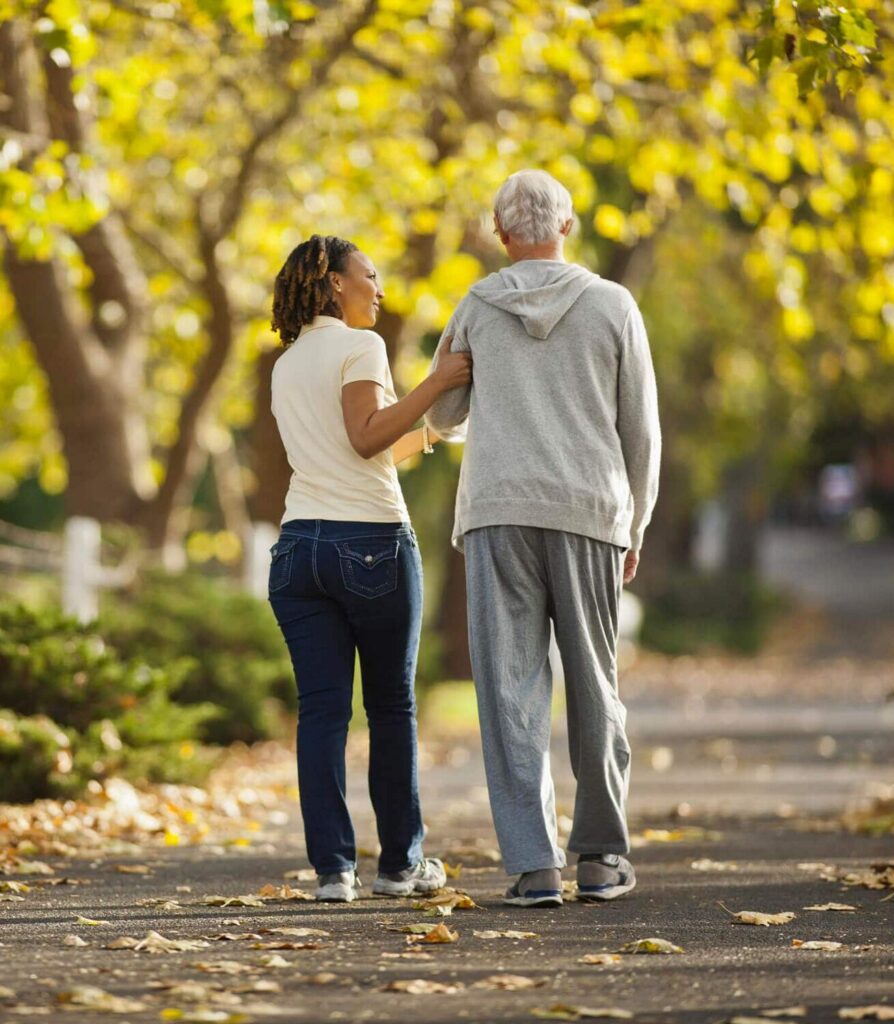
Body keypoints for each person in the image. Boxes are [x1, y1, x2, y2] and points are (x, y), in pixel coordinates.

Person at [427, 170, 661, 907]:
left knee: (507, 688)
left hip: (497, 511)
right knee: (595, 683)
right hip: (588, 509)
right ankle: (597, 858)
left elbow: (443, 415)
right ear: (567, 225)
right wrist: (637, 520)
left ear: (500, 233)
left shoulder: (475, 305)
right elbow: (640, 431)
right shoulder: (611, 305)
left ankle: (534, 867)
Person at [267, 234, 471, 902]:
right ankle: (399, 867)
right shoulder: (363, 347)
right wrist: (437, 384)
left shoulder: (287, 361)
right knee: (389, 707)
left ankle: (332, 872)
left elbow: (356, 450)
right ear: (332, 283)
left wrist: (432, 431)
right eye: (370, 276)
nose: (379, 289)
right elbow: (364, 436)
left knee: (322, 712)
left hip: (299, 550)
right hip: (372, 547)